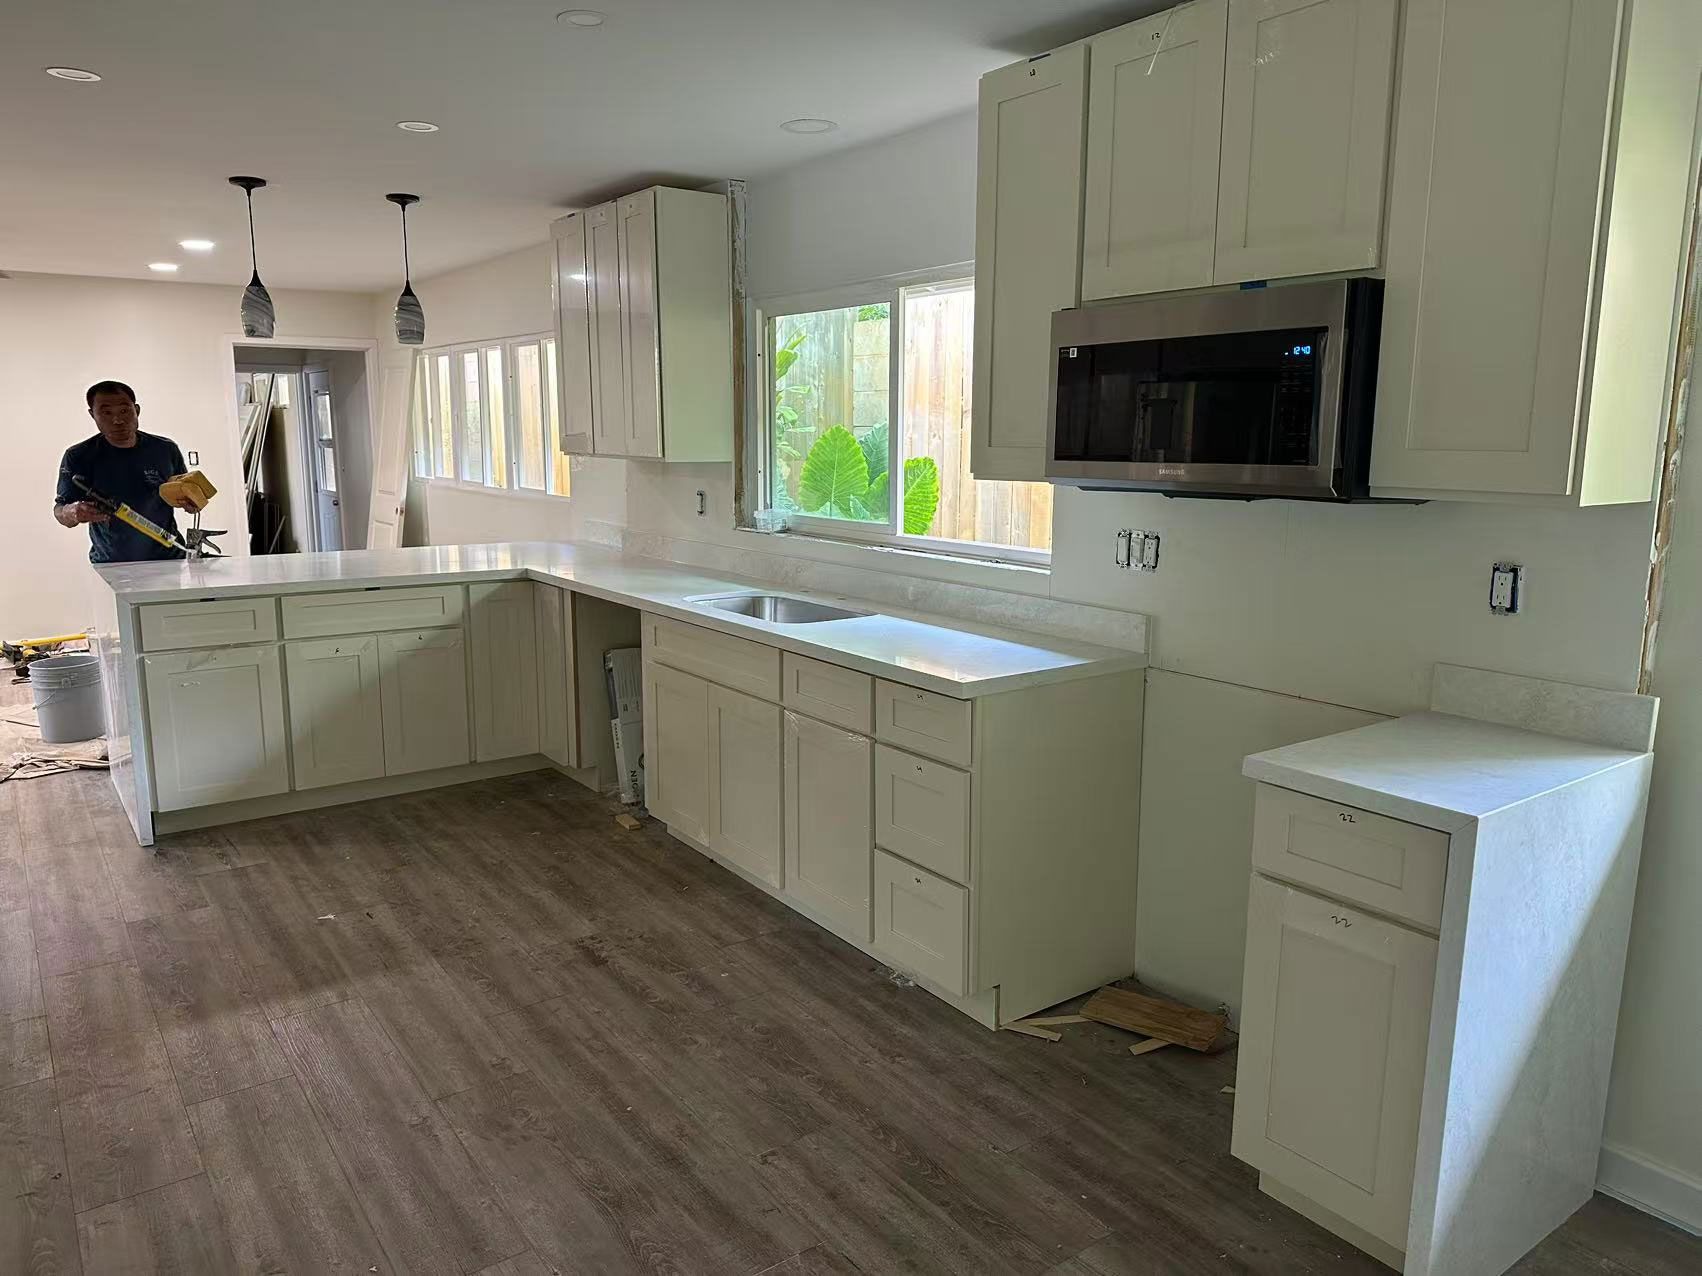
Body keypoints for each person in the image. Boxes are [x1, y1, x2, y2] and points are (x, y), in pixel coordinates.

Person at [54, 380, 197, 563]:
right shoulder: (79, 456)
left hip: (168, 559)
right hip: (111, 563)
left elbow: (182, 494)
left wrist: (191, 502)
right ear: (92, 415)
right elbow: (60, 510)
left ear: (136, 410)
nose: (117, 421)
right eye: (106, 413)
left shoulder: (165, 449)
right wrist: (71, 512)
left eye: (124, 410)